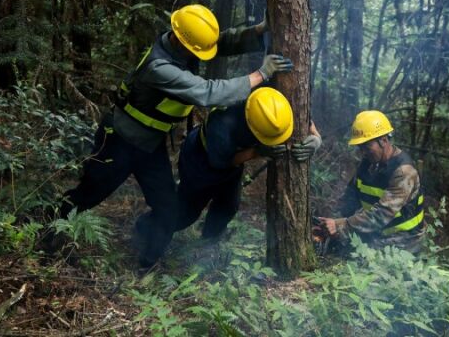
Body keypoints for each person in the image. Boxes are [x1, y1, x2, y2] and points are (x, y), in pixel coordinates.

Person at [46, 4, 293, 263]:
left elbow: (220, 42)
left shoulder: (183, 42)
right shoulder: (158, 67)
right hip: (119, 141)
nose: (202, 53)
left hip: (151, 146)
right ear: (180, 39)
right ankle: (47, 228)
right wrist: (261, 74)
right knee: (88, 194)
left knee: (168, 209)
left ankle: (147, 264)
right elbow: (207, 92)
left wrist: (259, 30)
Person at [134, 87, 321, 266]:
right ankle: (145, 226)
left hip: (232, 163)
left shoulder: (269, 102)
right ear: (251, 125)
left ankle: (208, 245)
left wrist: (316, 138)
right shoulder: (223, 125)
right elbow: (223, 162)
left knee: (228, 206)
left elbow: (300, 117)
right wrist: (257, 152)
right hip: (201, 162)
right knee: (186, 214)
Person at [316, 110, 425, 254]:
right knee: (337, 245)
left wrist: (342, 225)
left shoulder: (403, 172)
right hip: (377, 231)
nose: (363, 152)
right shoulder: (368, 164)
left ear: (384, 141)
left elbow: (381, 214)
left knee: (356, 258)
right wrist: (331, 224)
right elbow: (351, 197)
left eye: (367, 147)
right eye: (360, 147)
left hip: (404, 238)